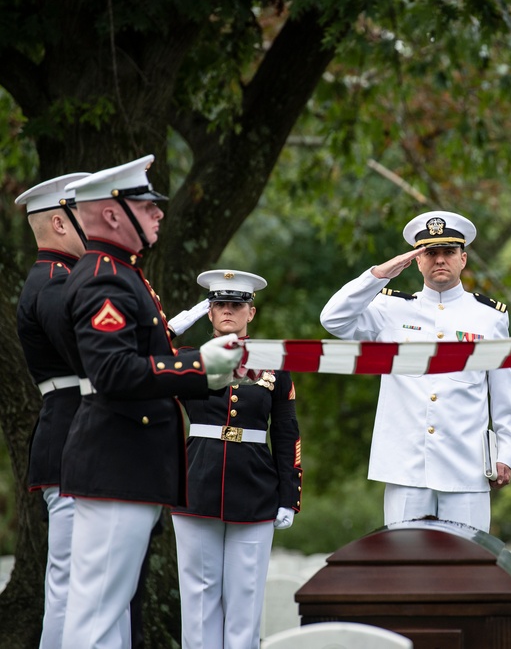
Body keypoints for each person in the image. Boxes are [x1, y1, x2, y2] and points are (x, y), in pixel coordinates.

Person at [56, 155, 246, 649]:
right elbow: (114, 371)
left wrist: (206, 366)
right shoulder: (106, 276)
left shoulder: (120, 272)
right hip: (117, 459)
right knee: (98, 616)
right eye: (147, 205)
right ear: (114, 215)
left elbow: (143, 362)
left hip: (125, 461)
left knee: (113, 614)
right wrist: (200, 367)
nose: (160, 213)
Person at [320, 210, 511, 533]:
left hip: (466, 468)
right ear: (417, 260)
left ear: (463, 259)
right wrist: (379, 274)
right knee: (404, 571)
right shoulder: (390, 309)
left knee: (466, 571)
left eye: (448, 252)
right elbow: (333, 320)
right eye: (430, 253)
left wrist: (508, 453)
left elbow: (504, 392)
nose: (439, 260)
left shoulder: (488, 317)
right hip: (406, 469)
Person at [171, 269, 301, 649]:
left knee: (245, 599)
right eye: (219, 305)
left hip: (255, 486)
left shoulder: (274, 363)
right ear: (209, 313)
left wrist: (288, 495)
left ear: (251, 313)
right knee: (198, 599)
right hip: (197, 480)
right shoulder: (188, 360)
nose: (228, 311)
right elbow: (145, 354)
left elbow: (286, 431)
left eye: (236, 305)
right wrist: (182, 322)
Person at [14, 172, 89, 649]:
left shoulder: (55, 279)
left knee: (75, 583)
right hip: (73, 443)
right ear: (61, 223)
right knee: (73, 584)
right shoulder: (57, 283)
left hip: (69, 440)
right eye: (88, 216)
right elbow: (99, 362)